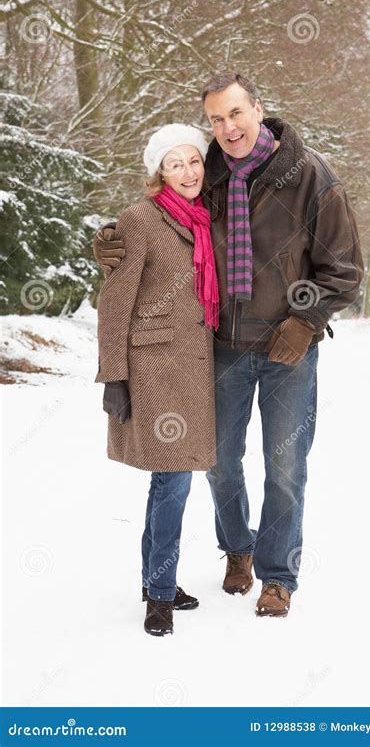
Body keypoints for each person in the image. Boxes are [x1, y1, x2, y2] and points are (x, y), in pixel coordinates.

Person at [93, 73, 364, 619]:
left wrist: (304, 322)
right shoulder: (207, 174)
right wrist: (113, 244)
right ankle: (237, 548)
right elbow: (165, 221)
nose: (228, 127)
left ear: (257, 109)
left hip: (290, 349)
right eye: (216, 119)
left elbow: (345, 269)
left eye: (236, 113)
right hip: (220, 347)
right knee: (218, 461)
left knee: (285, 466)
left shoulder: (310, 175)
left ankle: (278, 576)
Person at [94, 124, 219, 636]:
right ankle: (160, 598)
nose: (188, 172)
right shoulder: (140, 219)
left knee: (167, 483)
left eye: (194, 161)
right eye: (175, 164)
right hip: (155, 370)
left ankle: (155, 581)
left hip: (196, 366)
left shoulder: (206, 220)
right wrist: (113, 376)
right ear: (158, 172)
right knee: (173, 483)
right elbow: (114, 300)